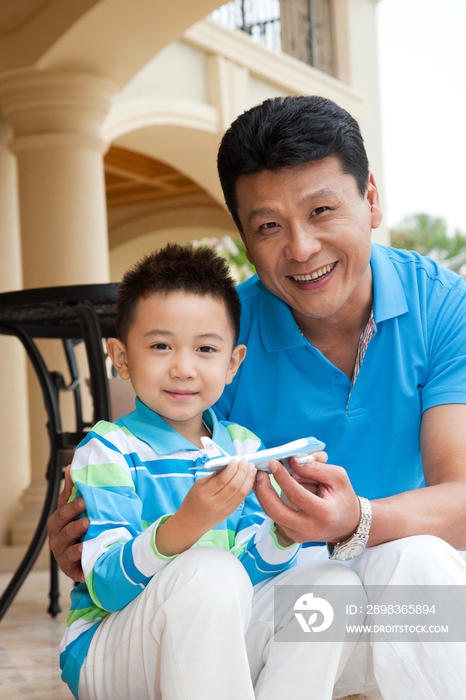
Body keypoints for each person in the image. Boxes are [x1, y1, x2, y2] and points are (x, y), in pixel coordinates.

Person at [49, 95, 466, 698]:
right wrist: (95, 530)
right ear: (244, 235)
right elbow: (149, 457)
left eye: (322, 210)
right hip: (248, 616)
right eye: (269, 226)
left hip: (365, 596)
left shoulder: (443, 306)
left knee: (423, 565)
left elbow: (459, 500)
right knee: (222, 585)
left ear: (370, 199)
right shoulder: (220, 333)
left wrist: (357, 520)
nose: (300, 248)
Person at [59, 242, 360, 700]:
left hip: (213, 637)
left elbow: (247, 577)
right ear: (120, 357)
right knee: (209, 570)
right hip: (110, 648)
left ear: (232, 363)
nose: (183, 368)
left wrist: (285, 529)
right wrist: (187, 525)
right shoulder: (107, 450)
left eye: (205, 349)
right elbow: (106, 586)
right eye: (160, 345)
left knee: (333, 583)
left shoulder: (243, 447)